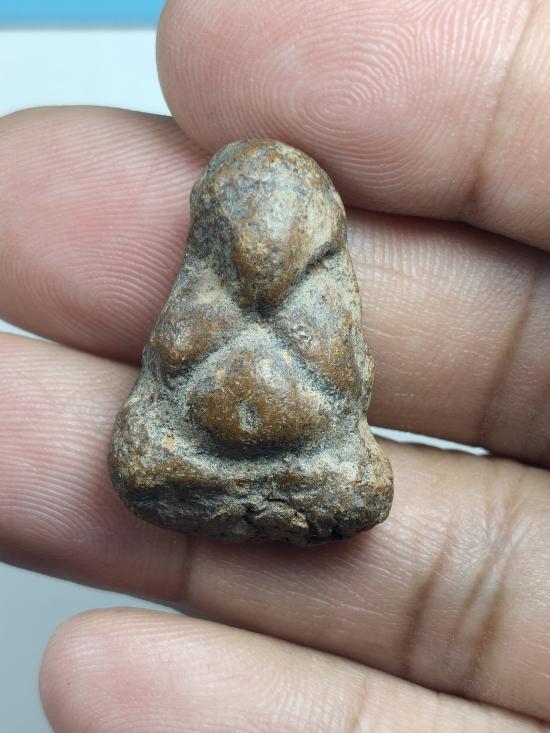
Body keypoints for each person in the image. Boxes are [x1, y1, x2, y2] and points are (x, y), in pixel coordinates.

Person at [0, 1, 548, 730]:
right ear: (217, 230)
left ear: (315, 233)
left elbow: (337, 390)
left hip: (308, 458)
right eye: (247, 228)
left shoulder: (319, 295)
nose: (264, 245)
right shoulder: (205, 286)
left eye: (283, 230)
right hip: (197, 448)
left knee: (359, 487)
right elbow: (174, 367)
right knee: (139, 462)